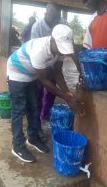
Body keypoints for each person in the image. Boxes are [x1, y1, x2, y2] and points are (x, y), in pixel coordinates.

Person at [7, 24, 84, 163]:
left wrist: (68, 93)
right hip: (16, 72)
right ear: (52, 40)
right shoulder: (40, 50)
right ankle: (17, 145)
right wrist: (67, 98)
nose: (62, 52)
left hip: (31, 74)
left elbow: (57, 72)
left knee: (34, 107)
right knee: (19, 110)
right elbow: (45, 81)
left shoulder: (59, 50)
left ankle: (33, 137)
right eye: (60, 48)